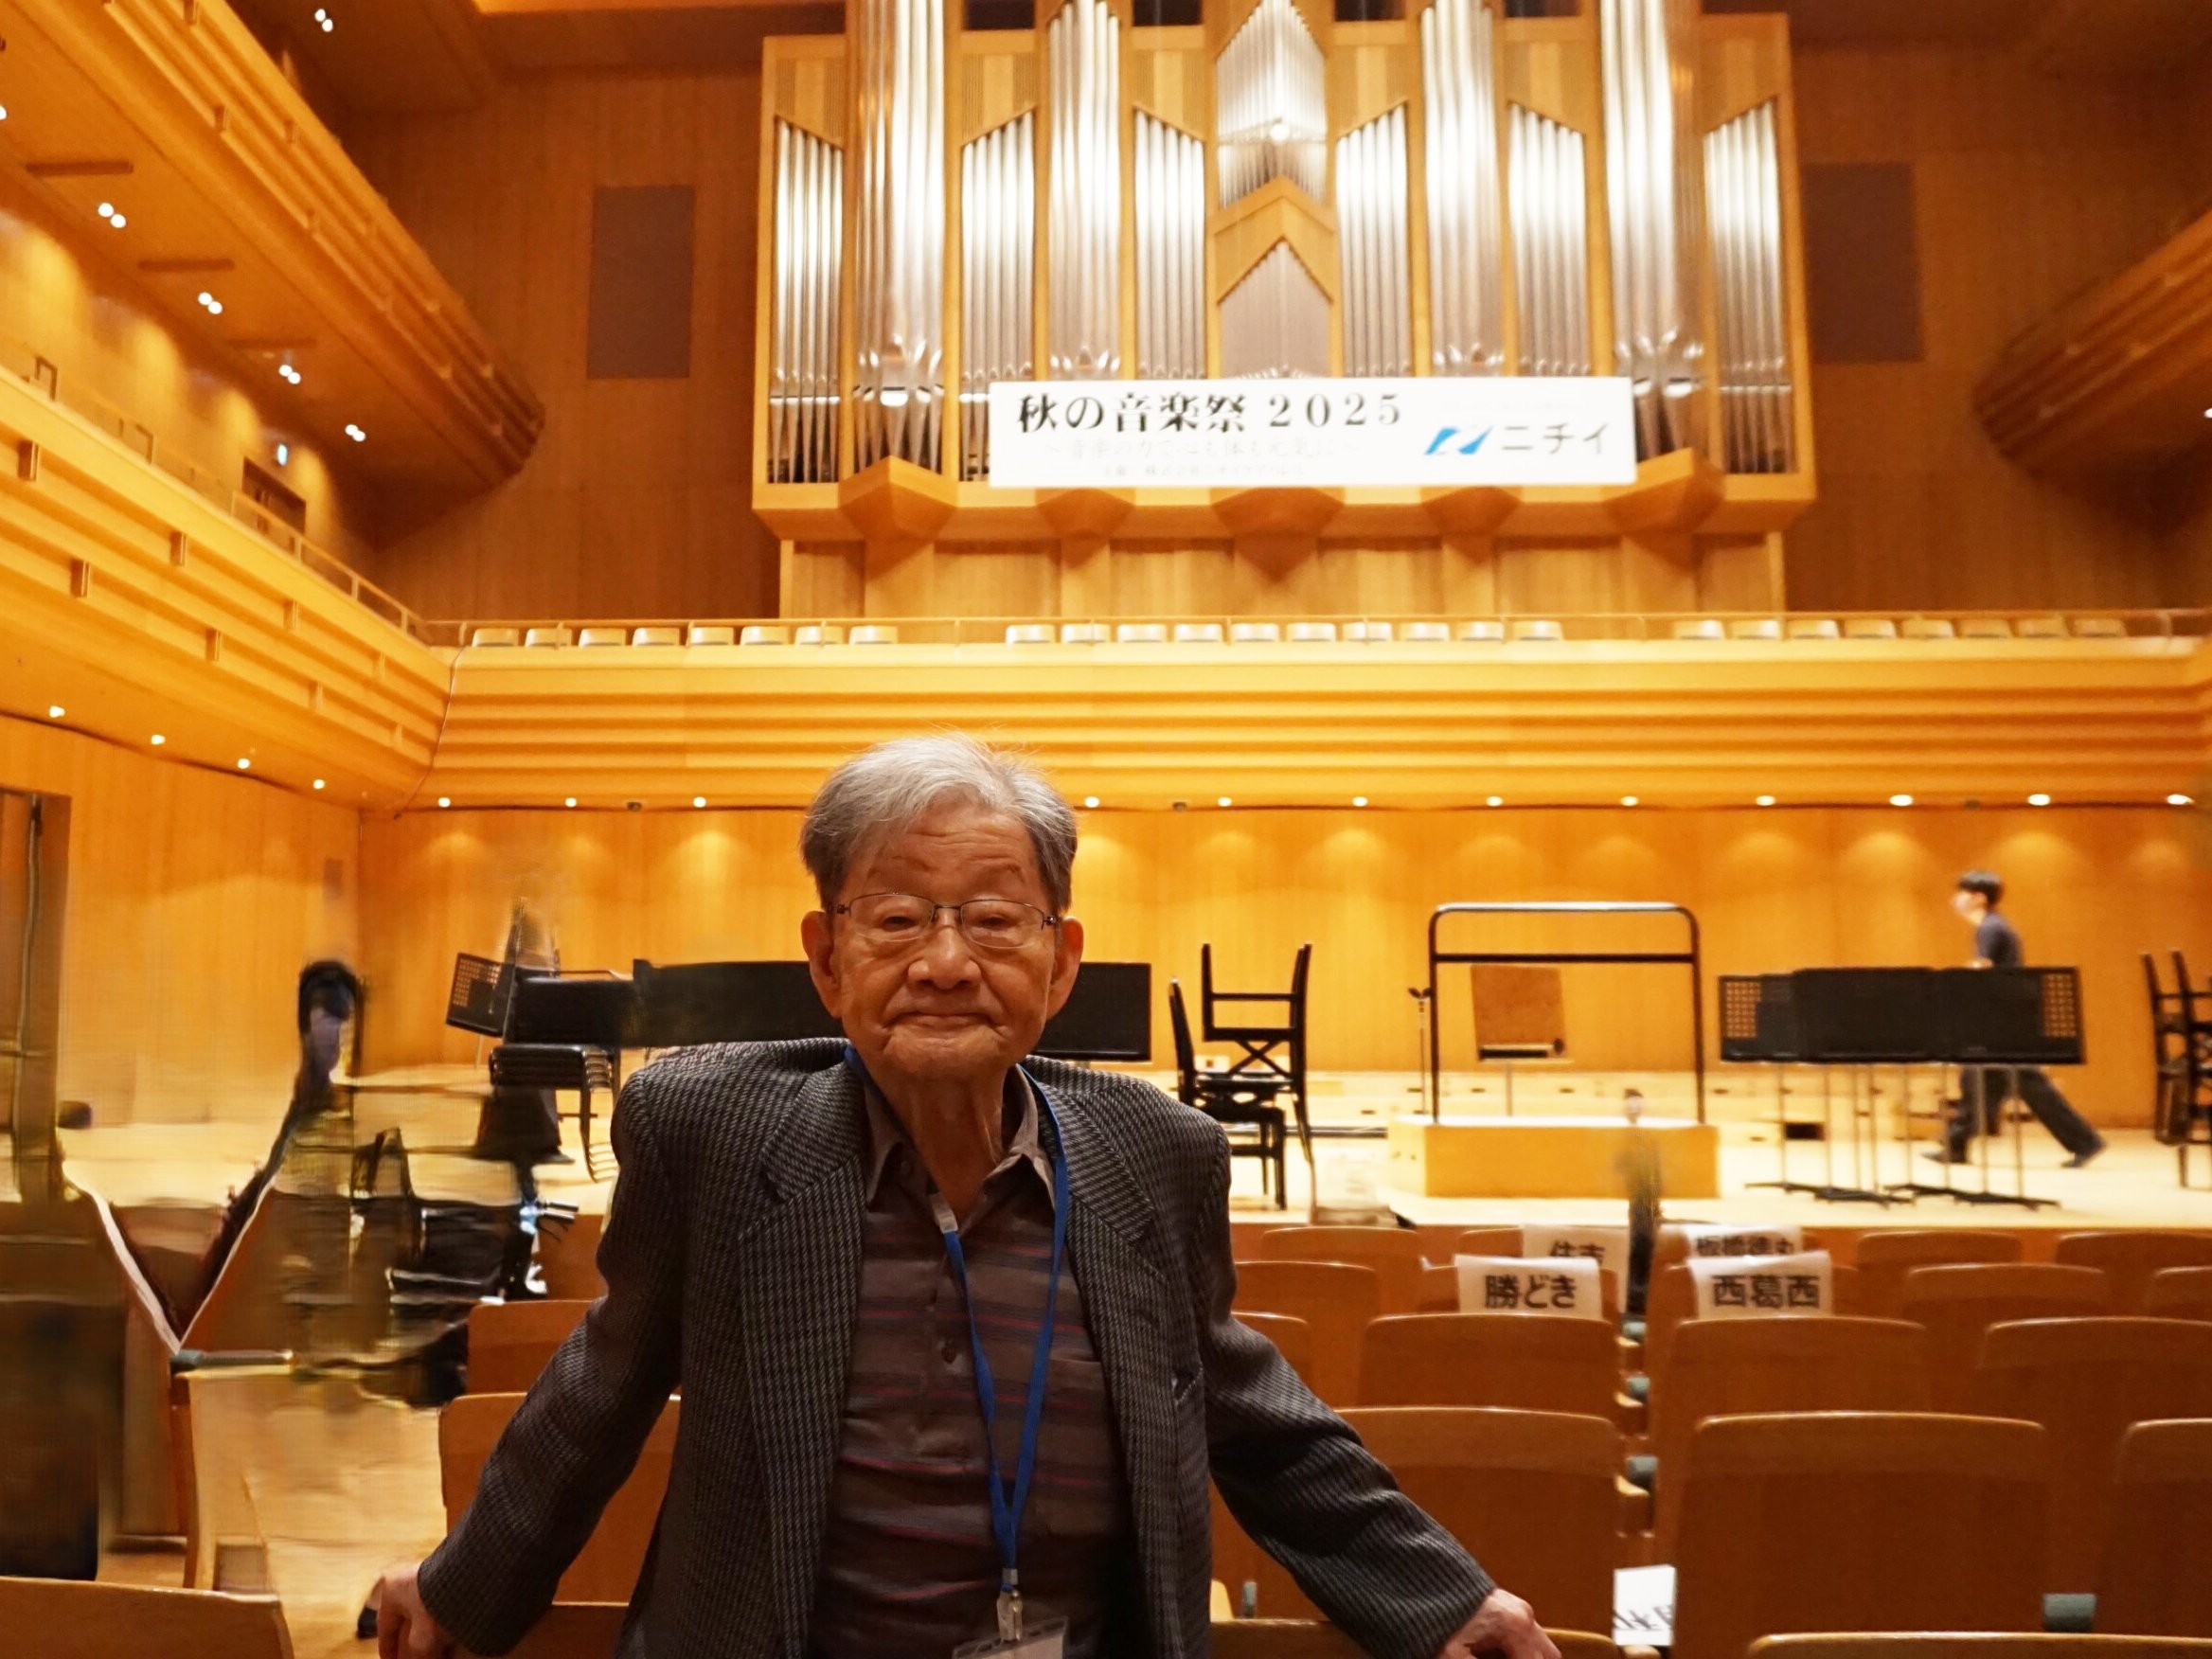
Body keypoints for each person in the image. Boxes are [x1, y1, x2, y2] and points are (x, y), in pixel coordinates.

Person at [376, 736, 1557, 1659]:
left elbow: (1248, 1411)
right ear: (826, 959)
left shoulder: (1155, 1153)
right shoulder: (717, 1134)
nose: (944, 963)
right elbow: (601, 1386)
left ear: (1061, 960)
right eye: (896, 919)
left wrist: (1436, 1597)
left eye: (993, 920)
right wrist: (460, 1589)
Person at [1931, 870, 2105, 1168]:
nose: (1956, 899)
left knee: (2022, 1081)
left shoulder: (1990, 928)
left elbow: (1982, 967)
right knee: (1979, 1078)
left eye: (1962, 893)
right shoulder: (1994, 926)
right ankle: (1956, 1144)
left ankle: (2085, 1141)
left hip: (2002, 1020)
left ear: (1978, 898)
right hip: (2003, 1016)